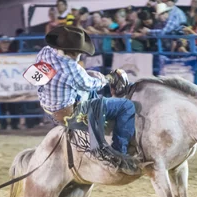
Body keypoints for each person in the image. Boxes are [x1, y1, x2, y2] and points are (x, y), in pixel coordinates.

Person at [32, 26, 140, 175]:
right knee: (126, 106)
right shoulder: (70, 67)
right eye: (80, 52)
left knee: (91, 84)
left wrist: (89, 75)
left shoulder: (46, 52)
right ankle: (118, 153)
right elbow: (90, 84)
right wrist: (108, 78)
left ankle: (100, 127)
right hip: (71, 113)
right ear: (75, 52)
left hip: (49, 108)